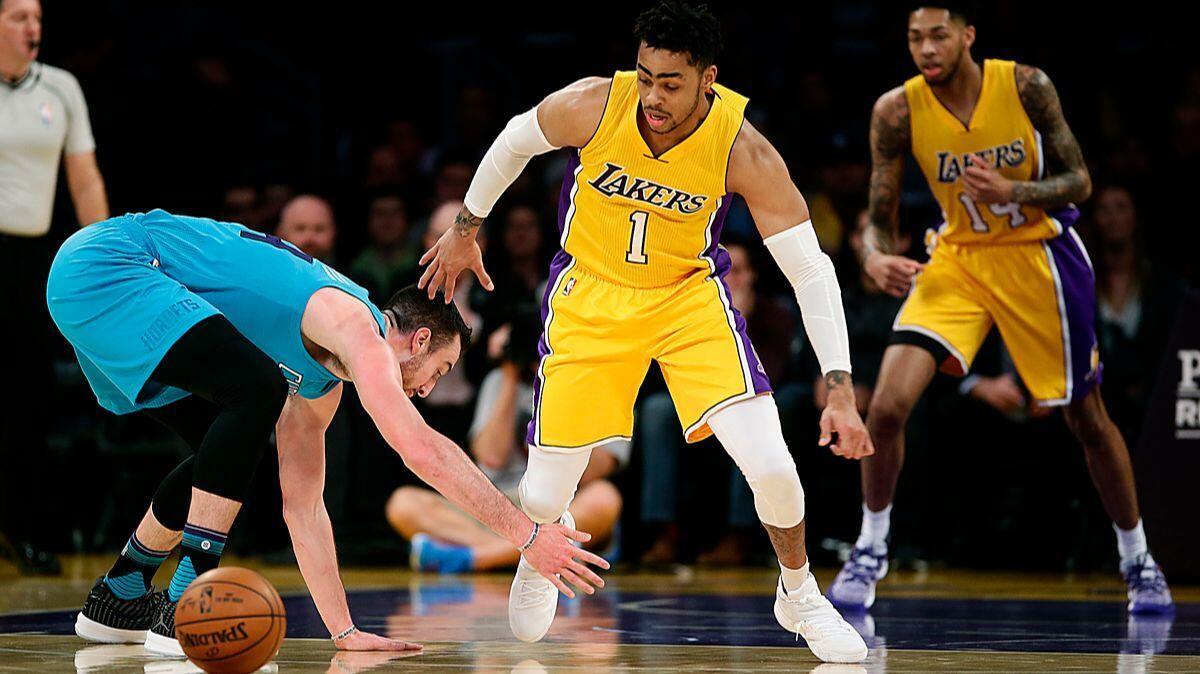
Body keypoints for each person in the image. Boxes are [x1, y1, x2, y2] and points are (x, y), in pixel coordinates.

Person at [419, 1, 871, 663]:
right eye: (646, 76)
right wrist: (465, 228)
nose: (653, 97)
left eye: (672, 83)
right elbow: (516, 137)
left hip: (687, 301)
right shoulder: (594, 105)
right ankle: (544, 540)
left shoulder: (742, 147)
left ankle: (798, 593)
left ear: (707, 80)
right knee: (542, 492)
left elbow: (810, 268)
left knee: (774, 467)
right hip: (591, 296)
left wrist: (839, 388)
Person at [50, 209, 607, 657]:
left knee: (225, 449)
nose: (430, 390)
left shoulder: (321, 388)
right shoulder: (355, 325)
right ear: (416, 342)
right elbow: (420, 448)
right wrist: (528, 536)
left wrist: (343, 629)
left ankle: (119, 596)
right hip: (113, 263)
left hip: (112, 288)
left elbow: (305, 509)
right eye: (438, 371)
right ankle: (184, 603)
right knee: (258, 393)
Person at [830, 3, 1173, 616]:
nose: (926, 49)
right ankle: (870, 548)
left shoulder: (1025, 85)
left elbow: (1080, 181)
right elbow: (879, 223)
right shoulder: (897, 109)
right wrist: (874, 258)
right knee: (884, 407)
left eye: (938, 36)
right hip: (959, 258)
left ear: (967, 36)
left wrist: (1013, 190)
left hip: (1037, 255)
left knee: (1085, 417)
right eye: (914, 38)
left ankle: (1137, 560)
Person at [0, 0, 109, 574]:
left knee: (27, 399)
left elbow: (84, 176)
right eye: (18, 16)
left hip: (28, 258)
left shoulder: (60, 88)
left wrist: (105, 261)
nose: (32, 27)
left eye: (36, 16)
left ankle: (24, 530)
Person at [387, 311, 626, 573]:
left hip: (559, 502)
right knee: (403, 503)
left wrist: (561, 388)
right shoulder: (499, 381)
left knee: (605, 498)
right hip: (497, 502)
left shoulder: (597, 385)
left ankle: (475, 558)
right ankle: (546, 555)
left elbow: (593, 471)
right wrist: (510, 377)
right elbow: (492, 456)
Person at [639, 239, 796, 567]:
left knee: (750, 414)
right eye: (723, 271)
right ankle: (663, 534)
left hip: (748, 400)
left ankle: (738, 536)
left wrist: (739, 324)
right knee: (656, 410)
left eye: (737, 271)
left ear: (752, 275)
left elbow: (770, 378)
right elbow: (667, 374)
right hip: (698, 401)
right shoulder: (689, 311)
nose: (730, 280)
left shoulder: (774, 316)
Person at [277, 193, 337, 263]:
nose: (310, 238)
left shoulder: (350, 273)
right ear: (281, 233)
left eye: (319, 229)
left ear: (333, 233)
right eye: (300, 229)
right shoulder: (265, 272)